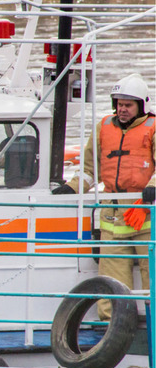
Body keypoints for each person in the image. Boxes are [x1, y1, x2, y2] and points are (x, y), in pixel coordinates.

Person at [52, 74, 154, 320]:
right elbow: (90, 170)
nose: (122, 109)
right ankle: (112, 329)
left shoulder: (153, 129)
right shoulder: (103, 128)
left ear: (142, 106)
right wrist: (72, 187)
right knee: (112, 284)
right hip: (113, 219)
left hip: (147, 214)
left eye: (128, 105)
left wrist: (153, 185)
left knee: (152, 275)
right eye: (119, 103)